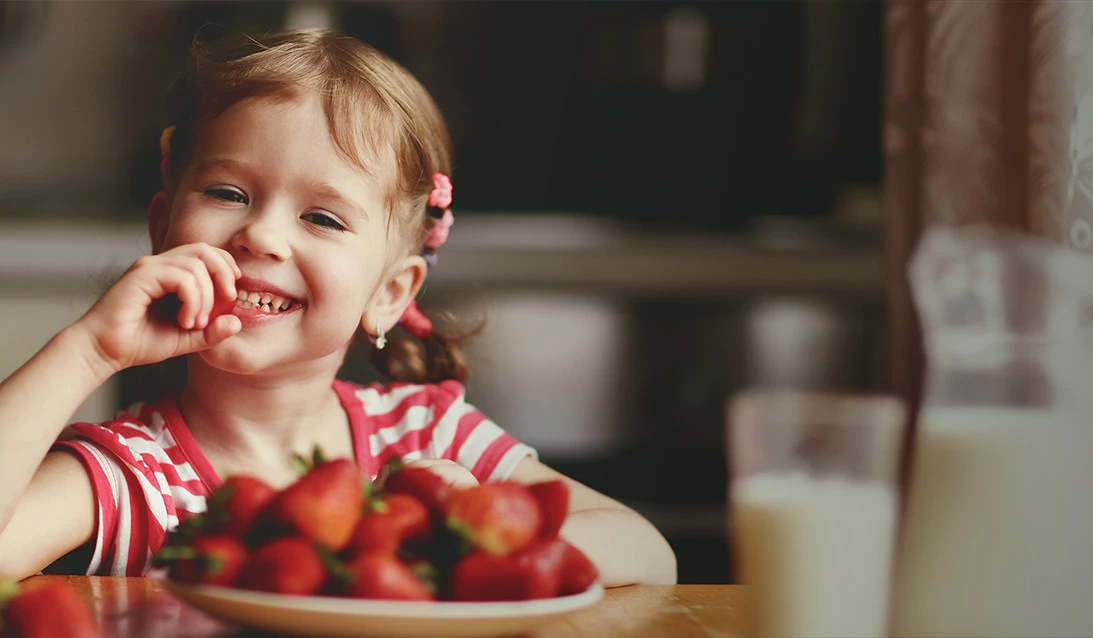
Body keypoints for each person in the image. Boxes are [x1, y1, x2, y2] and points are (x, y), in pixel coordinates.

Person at [0, 28, 676, 585]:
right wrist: (88, 349)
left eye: (321, 217)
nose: (261, 235)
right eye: (229, 194)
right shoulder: (134, 472)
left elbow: (649, 553)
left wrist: (454, 535)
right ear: (162, 230)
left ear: (389, 293)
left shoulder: (426, 436)